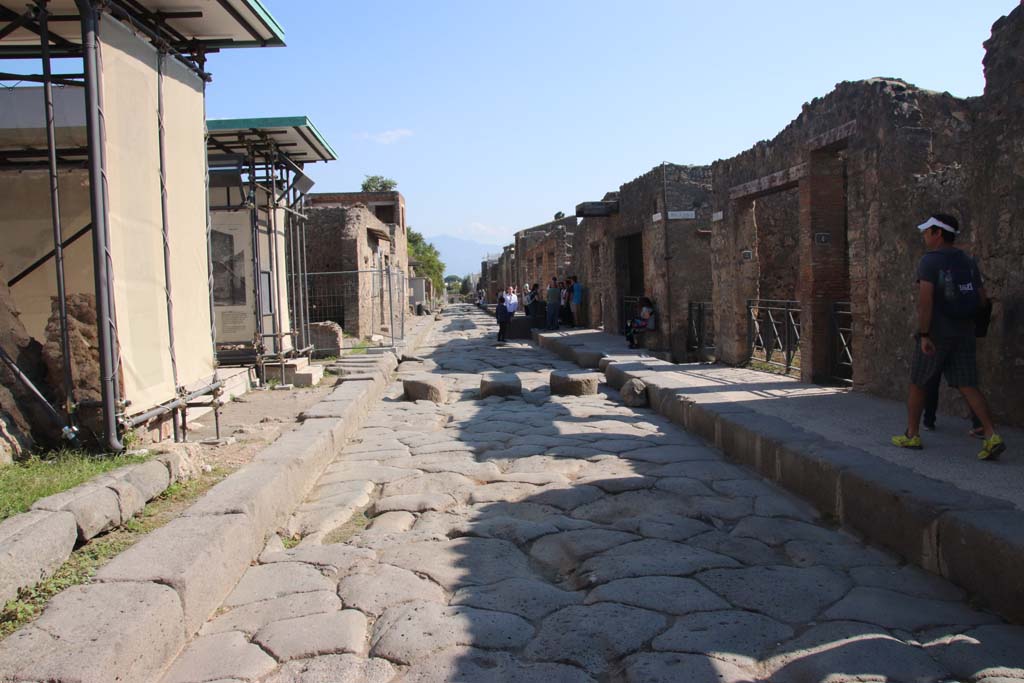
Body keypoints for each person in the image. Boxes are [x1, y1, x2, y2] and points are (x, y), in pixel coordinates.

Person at [891, 213, 1005, 460]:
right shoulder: (968, 260)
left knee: (918, 382)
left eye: (927, 231)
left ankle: (912, 435)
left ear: (938, 234)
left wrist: (924, 334)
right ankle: (991, 435)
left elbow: (925, 301)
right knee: (968, 384)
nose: (924, 235)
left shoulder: (930, 262)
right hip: (964, 332)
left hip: (937, 334)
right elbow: (982, 299)